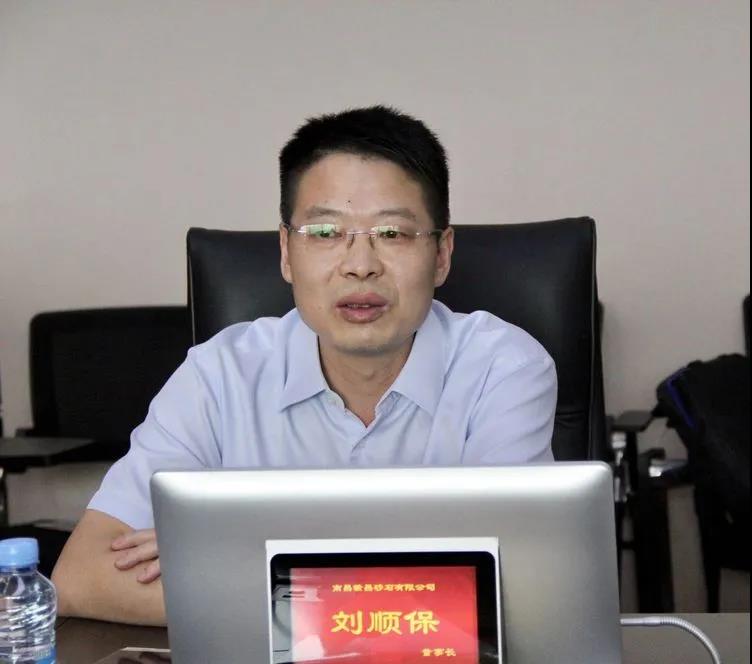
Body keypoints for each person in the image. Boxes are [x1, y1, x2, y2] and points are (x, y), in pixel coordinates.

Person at [51, 106, 556, 625]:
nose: (360, 265)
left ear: (442, 254)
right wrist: (403, 585)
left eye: (392, 233)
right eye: (325, 232)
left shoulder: (503, 369)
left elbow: (517, 588)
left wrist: (239, 560)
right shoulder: (219, 377)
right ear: (286, 252)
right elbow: (83, 577)